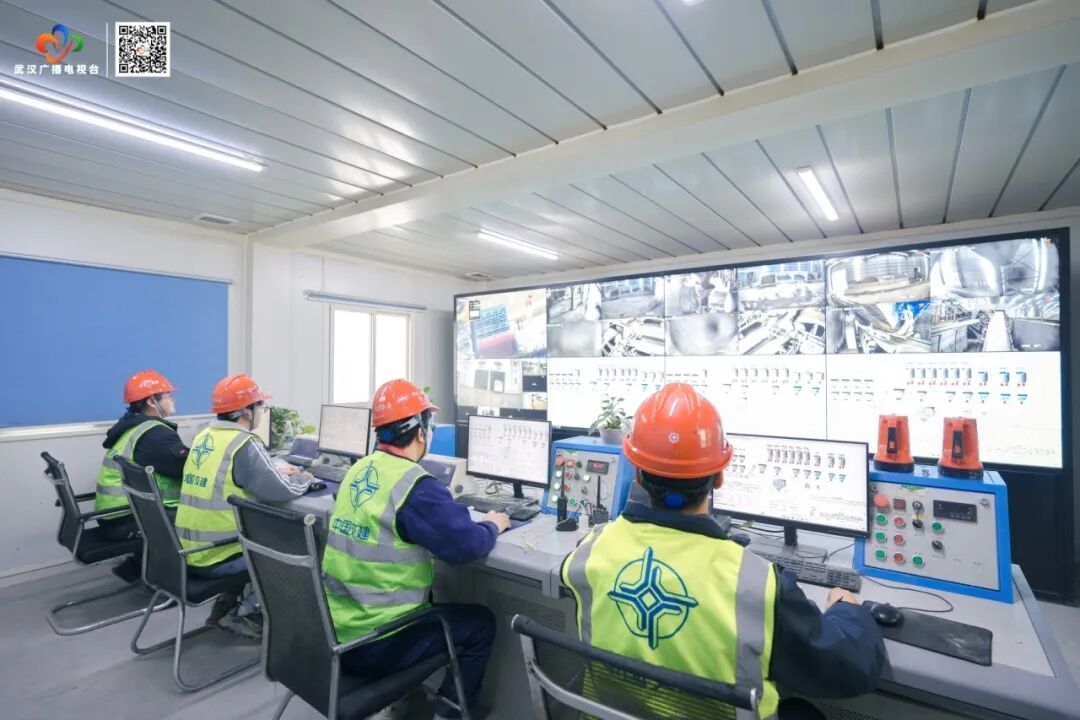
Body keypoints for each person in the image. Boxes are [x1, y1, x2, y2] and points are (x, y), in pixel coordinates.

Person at [562, 383, 885, 720]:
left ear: (638, 474)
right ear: (718, 477)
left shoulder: (592, 550)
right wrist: (849, 611)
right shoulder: (756, 583)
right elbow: (851, 666)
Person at [322, 379, 511, 720]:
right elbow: (466, 545)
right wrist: (493, 524)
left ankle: (405, 696)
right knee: (481, 624)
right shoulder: (416, 486)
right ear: (421, 432)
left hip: (335, 630)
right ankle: (448, 713)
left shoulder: (358, 470)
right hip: (378, 641)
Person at [174, 373, 309, 639]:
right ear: (247, 412)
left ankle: (226, 604)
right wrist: (305, 478)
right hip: (216, 556)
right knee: (292, 549)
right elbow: (279, 490)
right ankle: (247, 615)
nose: (262, 411)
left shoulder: (204, 436)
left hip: (187, 548)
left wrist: (273, 471)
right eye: (260, 406)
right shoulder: (243, 443)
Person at [96, 370, 189, 582]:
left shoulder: (132, 427)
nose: (172, 400)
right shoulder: (156, 434)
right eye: (168, 395)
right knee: (202, 515)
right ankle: (176, 579)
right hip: (126, 520)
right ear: (151, 401)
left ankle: (139, 566)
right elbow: (188, 468)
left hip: (114, 515)